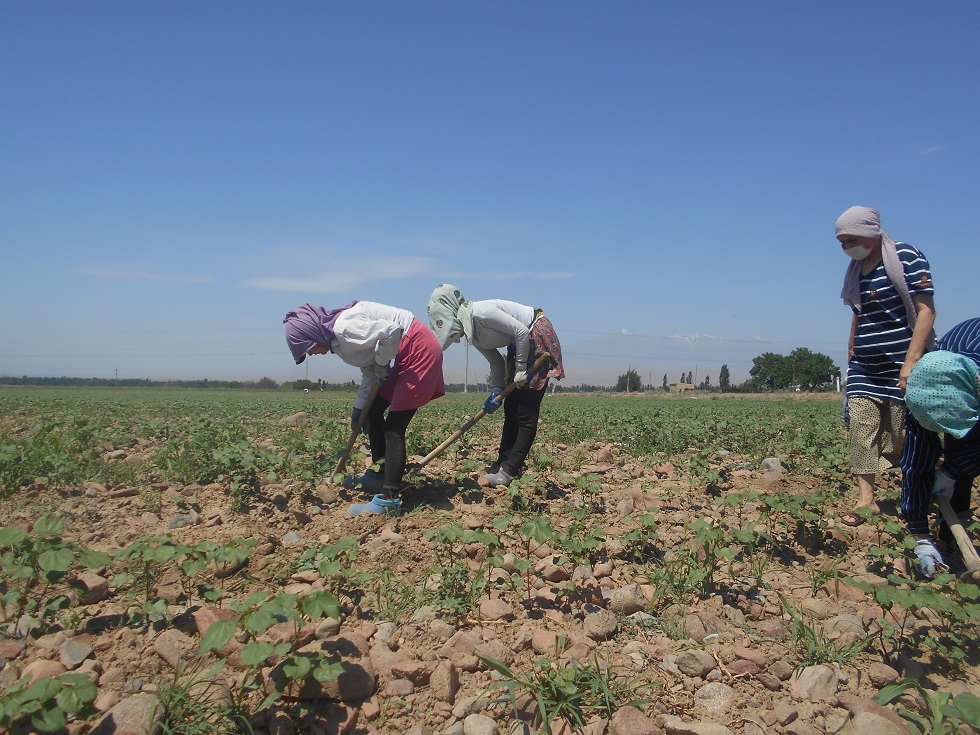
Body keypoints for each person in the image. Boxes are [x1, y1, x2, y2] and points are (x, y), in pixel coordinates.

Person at [284, 301, 445, 516]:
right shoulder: (340, 345)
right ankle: (379, 474)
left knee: (394, 429)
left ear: (313, 335)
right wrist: (359, 407)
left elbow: (391, 331)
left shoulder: (344, 329)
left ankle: (389, 499)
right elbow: (371, 371)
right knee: (373, 411)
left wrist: (381, 362)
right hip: (401, 352)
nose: (311, 355)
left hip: (418, 348)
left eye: (308, 349)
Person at [836, 206, 936, 526]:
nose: (846, 247)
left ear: (870, 234)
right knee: (861, 431)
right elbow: (858, 310)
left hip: (900, 362)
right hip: (865, 364)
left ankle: (920, 486)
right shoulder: (857, 267)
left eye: (851, 239)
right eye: (841, 242)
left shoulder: (906, 256)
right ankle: (867, 500)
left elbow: (926, 311)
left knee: (899, 435)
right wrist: (851, 348)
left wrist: (910, 363)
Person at [427, 284, 564, 487]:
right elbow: (495, 362)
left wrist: (519, 369)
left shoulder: (482, 313)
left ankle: (510, 471)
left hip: (534, 334)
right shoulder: (473, 334)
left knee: (526, 412)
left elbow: (521, 331)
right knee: (510, 408)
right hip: (518, 345)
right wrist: (496, 391)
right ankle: (503, 461)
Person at [900, 318, 980, 578]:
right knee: (932, 455)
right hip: (957, 385)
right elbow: (915, 463)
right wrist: (920, 535)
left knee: (965, 454)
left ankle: (951, 531)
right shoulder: (924, 386)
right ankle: (942, 539)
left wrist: (952, 472)